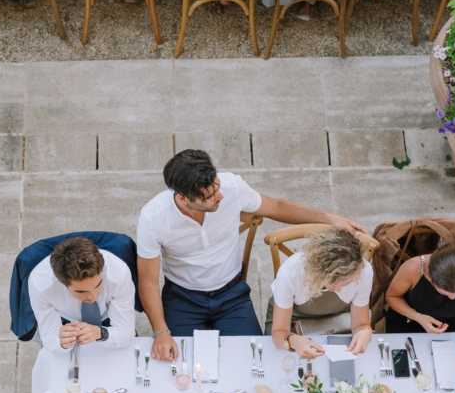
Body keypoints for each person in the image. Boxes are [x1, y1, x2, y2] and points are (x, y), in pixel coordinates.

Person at [137, 148, 362, 360]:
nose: (220, 196)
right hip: (182, 296)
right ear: (183, 198)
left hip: (231, 294)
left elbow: (277, 207)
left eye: (217, 185)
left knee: (253, 358)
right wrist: (160, 331)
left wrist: (330, 219)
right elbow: (148, 283)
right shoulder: (153, 217)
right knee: (178, 362)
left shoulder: (232, 187)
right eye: (209, 195)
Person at [385, 245, 455, 393]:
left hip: (448, 325)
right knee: (404, 382)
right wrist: (418, 317)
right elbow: (391, 297)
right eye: (447, 292)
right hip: (407, 320)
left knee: (444, 381)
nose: (454, 298)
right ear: (430, 277)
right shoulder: (413, 268)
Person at [270, 228, 373, 357]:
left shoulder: (363, 272)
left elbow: (361, 324)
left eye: (348, 282)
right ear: (319, 272)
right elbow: (279, 333)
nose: (341, 288)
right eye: (336, 281)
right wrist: (293, 341)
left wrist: (364, 331)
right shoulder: (290, 273)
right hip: (293, 321)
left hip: (335, 321)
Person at [28, 236, 135, 353]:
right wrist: (62, 343)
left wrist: (101, 333)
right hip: (66, 323)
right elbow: (49, 339)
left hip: (108, 318)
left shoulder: (119, 273)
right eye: (81, 291)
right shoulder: (40, 286)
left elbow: (126, 333)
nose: (93, 297)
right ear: (62, 283)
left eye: (98, 285)